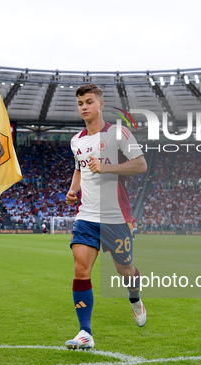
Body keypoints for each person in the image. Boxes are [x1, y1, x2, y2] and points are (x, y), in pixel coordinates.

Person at [64, 84, 147, 350]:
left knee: (126, 270)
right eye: (80, 103)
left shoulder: (117, 133)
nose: (84, 107)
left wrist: (107, 166)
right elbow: (79, 167)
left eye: (89, 102)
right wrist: (73, 189)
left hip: (115, 217)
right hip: (86, 216)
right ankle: (85, 332)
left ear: (100, 104)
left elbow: (140, 165)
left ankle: (134, 297)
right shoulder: (76, 140)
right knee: (80, 269)